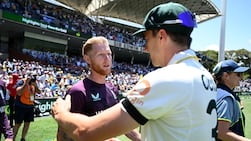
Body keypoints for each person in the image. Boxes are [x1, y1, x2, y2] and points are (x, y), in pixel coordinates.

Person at [52, 2, 217, 141]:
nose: (145, 47)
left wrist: (60, 113)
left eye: (147, 39)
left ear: (161, 36)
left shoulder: (165, 79)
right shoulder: (205, 75)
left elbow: (85, 132)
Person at [57, 36, 141, 141]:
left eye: (109, 54)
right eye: (101, 55)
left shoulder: (112, 89)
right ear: (87, 59)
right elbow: (63, 137)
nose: (107, 59)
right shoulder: (78, 91)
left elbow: (120, 122)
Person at [212, 60, 251, 141]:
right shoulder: (226, 98)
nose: (242, 78)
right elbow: (221, 133)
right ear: (226, 75)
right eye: (238, 74)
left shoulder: (217, 92)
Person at [13, 73, 41, 141]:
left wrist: (36, 86)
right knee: (18, 124)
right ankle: (12, 139)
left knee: (27, 123)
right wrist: (25, 84)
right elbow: (18, 92)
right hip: (20, 106)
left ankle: (23, 138)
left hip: (29, 106)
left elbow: (39, 92)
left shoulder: (34, 83)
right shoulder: (21, 82)